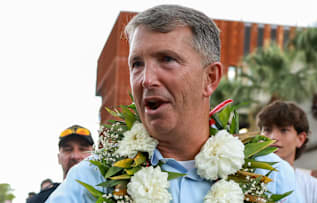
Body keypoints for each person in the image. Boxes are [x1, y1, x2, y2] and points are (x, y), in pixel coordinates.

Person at [47, 5, 299, 202]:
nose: (146, 79)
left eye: (166, 59)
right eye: (137, 64)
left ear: (210, 78)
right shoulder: (92, 178)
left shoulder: (270, 177)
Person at [257, 100, 317, 203]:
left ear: (300, 139)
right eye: (267, 130)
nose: (273, 137)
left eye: (283, 130)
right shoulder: (241, 179)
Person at [28, 125, 94, 203]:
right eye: (68, 150)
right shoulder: (40, 199)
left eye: (83, 150)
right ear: (59, 158)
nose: (75, 156)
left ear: (94, 155)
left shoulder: (109, 191)